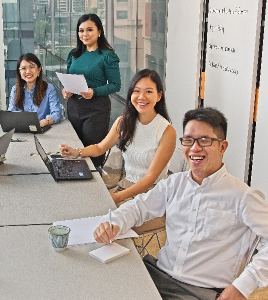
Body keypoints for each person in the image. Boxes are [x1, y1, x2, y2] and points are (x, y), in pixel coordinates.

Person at [94, 107, 268, 300]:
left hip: (200, 292)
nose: (194, 148)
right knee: (99, 284)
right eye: (188, 140)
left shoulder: (243, 196)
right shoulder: (174, 183)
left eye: (204, 140)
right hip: (157, 276)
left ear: (222, 147)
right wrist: (113, 222)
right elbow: (138, 207)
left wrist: (242, 286)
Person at [60, 69, 176, 204]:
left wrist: (117, 197)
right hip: (127, 186)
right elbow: (99, 148)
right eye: (136, 91)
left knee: (106, 216)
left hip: (153, 193)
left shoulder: (167, 131)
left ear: (159, 96)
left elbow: (150, 178)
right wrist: (77, 152)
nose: (141, 97)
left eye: (149, 92)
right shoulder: (123, 122)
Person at [62, 13, 121, 168]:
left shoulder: (108, 56)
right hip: (74, 107)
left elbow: (115, 85)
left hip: (96, 110)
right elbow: (70, 78)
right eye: (81, 31)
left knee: (92, 153)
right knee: (74, 149)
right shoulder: (74, 54)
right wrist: (67, 90)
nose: (84, 34)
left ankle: (96, 189)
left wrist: (94, 91)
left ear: (99, 31)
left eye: (89, 30)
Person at [8, 53, 62, 127]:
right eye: (23, 68)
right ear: (19, 72)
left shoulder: (49, 88)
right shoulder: (15, 90)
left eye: (32, 67)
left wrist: (45, 122)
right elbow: (11, 113)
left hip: (42, 130)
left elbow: (57, 113)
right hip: (21, 130)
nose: (28, 71)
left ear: (39, 69)